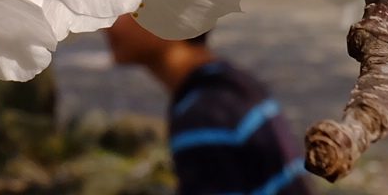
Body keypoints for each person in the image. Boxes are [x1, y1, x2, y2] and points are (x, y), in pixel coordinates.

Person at [105, 13, 314, 195]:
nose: (107, 22)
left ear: (173, 9)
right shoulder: (227, 84)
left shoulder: (204, 114)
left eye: (125, 5)